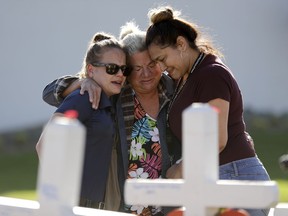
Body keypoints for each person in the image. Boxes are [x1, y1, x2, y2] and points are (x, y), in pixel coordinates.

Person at [145, 6, 271, 216]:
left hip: (235, 178)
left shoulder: (212, 74)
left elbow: (217, 140)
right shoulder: (186, 77)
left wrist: (179, 170)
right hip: (221, 178)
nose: (161, 67)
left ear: (181, 44)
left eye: (162, 58)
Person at [41, 22, 178, 216]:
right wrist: (82, 82)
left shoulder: (173, 88)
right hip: (125, 205)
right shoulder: (117, 93)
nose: (145, 74)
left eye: (151, 65)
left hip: (168, 202)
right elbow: (49, 92)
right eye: (135, 68)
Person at [36, 32, 129, 210]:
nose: (120, 74)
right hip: (77, 205)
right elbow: (45, 144)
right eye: (111, 68)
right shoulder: (83, 97)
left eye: (124, 69)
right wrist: (58, 197)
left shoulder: (109, 100)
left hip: (100, 206)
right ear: (91, 70)